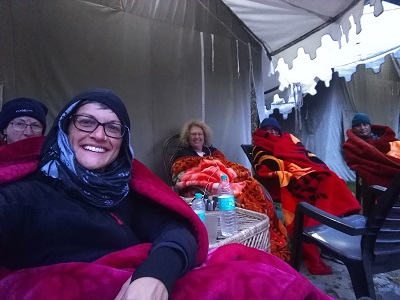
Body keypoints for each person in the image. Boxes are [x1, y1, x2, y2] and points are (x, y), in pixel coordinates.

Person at [0, 90, 334, 300]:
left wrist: (157, 271)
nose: (99, 135)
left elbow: (176, 228)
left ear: (122, 142)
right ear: (64, 130)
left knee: (258, 266)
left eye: (113, 127)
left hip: (153, 274)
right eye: (86, 123)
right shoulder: (28, 197)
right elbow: (187, 176)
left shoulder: (123, 190)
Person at [252, 117, 361, 275]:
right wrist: (289, 171)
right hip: (287, 178)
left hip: (305, 172)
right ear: (263, 130)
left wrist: (312, 167)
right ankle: (319, 232)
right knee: (328, 181)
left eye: (275, 129)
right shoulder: (259, 144)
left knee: (331, 178)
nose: (272, 132)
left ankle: (326, 230)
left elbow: (304, 155)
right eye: (268, 129)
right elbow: (263, 163)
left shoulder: (289, 139)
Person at [172, 119, 290, 262]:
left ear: (205, 136)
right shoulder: (183, 155)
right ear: (188, 137)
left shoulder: (213, 151)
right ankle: (246, 233)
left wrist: (230, 172)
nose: (197, 137)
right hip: (209, 186)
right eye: (193, 135)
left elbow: (227, 165)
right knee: (236, 195)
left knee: (251, 185)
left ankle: (261, 227)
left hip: (226, 180)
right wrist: (207, 170)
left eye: (200, 134)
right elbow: (180, 173)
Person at [343, 112, 400, 188]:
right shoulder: (351, 145)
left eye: (365, 124)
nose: (362, 128)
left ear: (370, 126)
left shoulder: (384, 137)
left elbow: (397, 151)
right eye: (358, 126)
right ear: (353, 128)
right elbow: (355, 160)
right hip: (375, 171)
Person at [0, 97, 48, 184]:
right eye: (19, 124)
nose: (28, 132)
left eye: (35, 126)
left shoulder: (50, 164)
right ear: (4, 129)